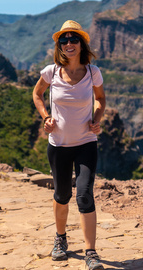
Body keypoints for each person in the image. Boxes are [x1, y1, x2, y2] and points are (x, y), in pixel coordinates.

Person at [32, 20, 106, 270]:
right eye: (63, 40)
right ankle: (60, 239)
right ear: (59, 45)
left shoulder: (93, 72)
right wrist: (45, 117)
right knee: (62, 195)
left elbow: (100, 99)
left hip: (86, 143)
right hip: (59, 145)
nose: (68, 43)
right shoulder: (50, 72)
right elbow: (36, 94)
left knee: (84, 195)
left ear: (81, 43)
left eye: (74, 39)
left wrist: (96, 120)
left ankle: (91, 253)